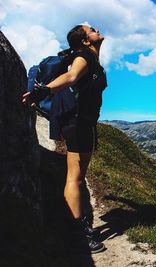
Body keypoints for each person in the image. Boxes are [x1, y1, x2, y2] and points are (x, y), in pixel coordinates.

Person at [22, 24, 107, 253]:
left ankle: (78, 228)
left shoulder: (90, 58)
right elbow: (70, 77)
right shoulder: (83, 56)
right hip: (76, 122)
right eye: (92, 30)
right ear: (85, 40)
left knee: (78, 176)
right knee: (75, 178)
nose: (97, 30)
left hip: (83, 122)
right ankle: (76, 234)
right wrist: (44, 90)